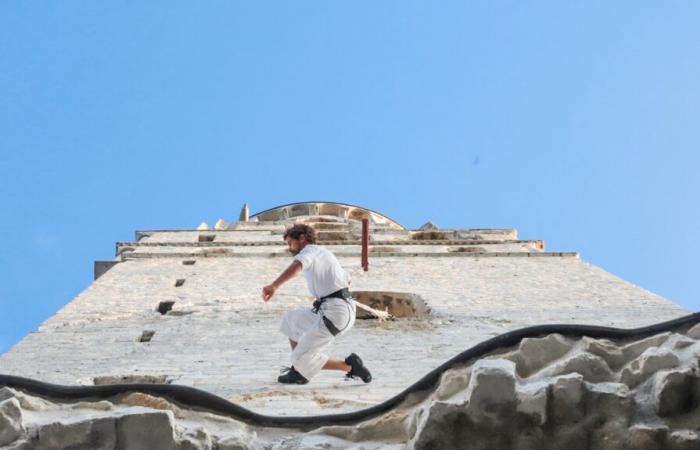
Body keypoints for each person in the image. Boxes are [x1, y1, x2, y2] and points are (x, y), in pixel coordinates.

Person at [261, 223, 372, 385]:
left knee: (299, 357)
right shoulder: (324, 255)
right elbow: (347, 278)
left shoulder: (310, 251)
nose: (289, 248)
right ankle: (299, 368)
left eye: (290, 243)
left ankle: (347, 367)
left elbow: (297, 266)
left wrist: (274, 285)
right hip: (332, 310)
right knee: (291, 319)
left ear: (302, 238)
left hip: (336, 313)